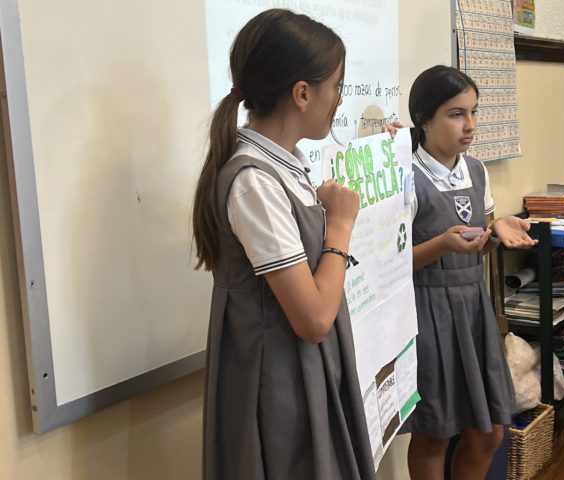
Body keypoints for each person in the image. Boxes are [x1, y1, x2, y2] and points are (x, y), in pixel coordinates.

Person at [192, 9, 375, 480]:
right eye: (337, 86)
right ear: (302, 94)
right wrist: (339, 226)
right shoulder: (254, 182)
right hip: (279, 385)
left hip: (300, 371)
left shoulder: (285, 164)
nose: (339, 98)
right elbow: (312, 319)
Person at [397, 65, 536, 480]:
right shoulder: (405, 176)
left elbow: (478, 234)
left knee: (489, 432)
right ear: (424, 119)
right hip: (428, 313)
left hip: (474, 308)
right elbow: (390, 266)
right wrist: (442, 244)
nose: (470, 125)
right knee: (435, 434)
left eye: (474, 112)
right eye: (456, 114)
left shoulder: (475, 170)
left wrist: (498, 229)